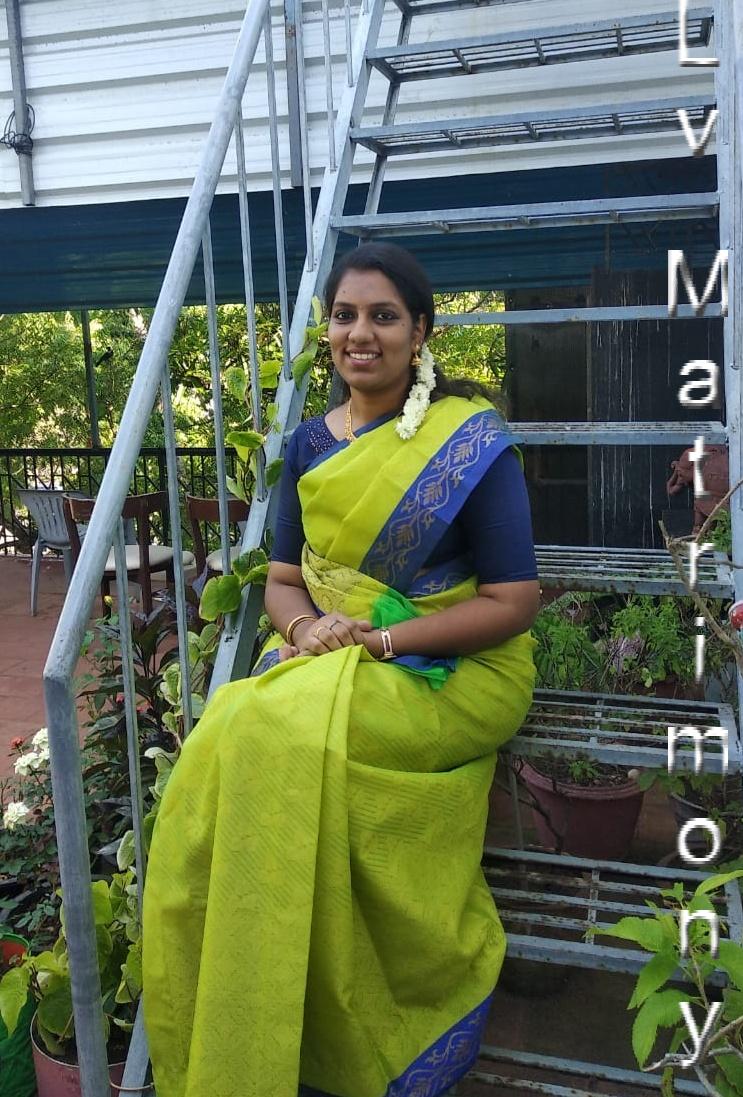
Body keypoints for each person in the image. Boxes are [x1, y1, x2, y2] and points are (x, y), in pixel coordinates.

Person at [142, 242, 540, 1097]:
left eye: (383, 316)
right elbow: (283, 582)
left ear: (419, 332)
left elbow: (513, 601)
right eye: (344, 315)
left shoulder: (469, 441)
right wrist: (309, 626)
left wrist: (382, 643)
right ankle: (262, 996)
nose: (361, 333)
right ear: (327, 331)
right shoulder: (307, 446)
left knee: (267, 733)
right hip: (332, 652)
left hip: (453, 667)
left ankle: (342, 1004)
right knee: (231, 734)